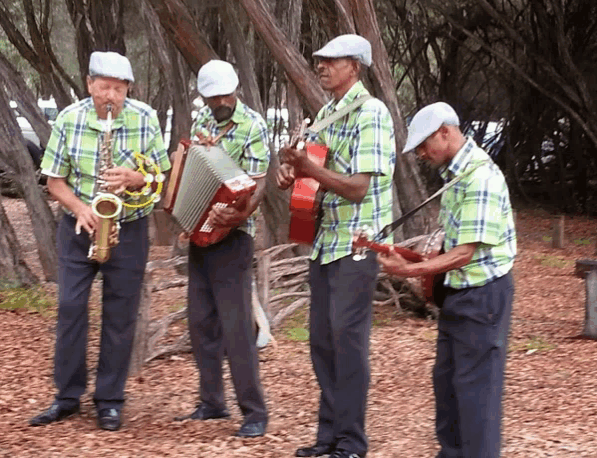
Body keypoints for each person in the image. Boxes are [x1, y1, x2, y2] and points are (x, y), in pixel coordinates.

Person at [30, 51, 171, 431]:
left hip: (130, 227)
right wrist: (79, 208)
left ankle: (109, 400)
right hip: (79, 227)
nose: (111, 96)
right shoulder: (69, 119)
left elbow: (162, 175)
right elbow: (54, 181)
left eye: (119, 89)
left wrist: (135, 179)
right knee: (71, 306)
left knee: (120, 315)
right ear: (89, 84)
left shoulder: (145, 118)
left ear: (128, 90)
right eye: (104, 87)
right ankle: (67, 396)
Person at [277, 35, 395, 458]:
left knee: (348, 342)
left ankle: (351, 442)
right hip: (325, 243)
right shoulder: (324, 116)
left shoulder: (372, 113)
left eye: (331, 60)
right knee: (323, 343)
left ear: (356, 67)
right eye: (320, 60)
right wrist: (293, 176)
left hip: (358, 244)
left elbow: (359, 189)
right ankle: (328, 438)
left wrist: (309, 167)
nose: (321, 66)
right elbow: (313, 182)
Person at [377, 102, 517, 458]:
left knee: (477, 395)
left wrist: (407, 271)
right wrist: (412, 260)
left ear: (446, 131)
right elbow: (450, 247)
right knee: (448, 385)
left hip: (482, 295)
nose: (422, 153)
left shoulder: (480, 177)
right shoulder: (455, 175)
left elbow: (463, 254)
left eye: (425, 144)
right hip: (458, 292)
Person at [174, 59, 269, 438]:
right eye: (213, 98)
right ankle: (212, 402)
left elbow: (258, 183)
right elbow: (194, 167)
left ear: (235, 89)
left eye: (225, 95)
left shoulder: (253, 125)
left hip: (235, 235)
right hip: (202, 234)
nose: (220, 102)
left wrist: (238, 213)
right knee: (200, 321)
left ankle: (255, 412)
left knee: (236, 327)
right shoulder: (203, 124)